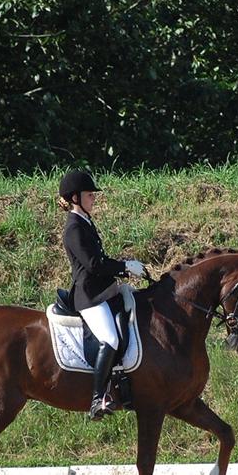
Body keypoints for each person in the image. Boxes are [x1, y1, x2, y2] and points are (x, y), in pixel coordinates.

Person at [59, 170, 146, 420]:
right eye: (89, 195)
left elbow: (102, 260)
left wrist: (125, 270)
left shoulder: (85, 222)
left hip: (102, 290)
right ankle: (98, 399)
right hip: (89, 296)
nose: (94, 198)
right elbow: (94, 264)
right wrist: (125, 266)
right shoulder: (74, 228)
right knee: (110, 338)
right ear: (75, 198)